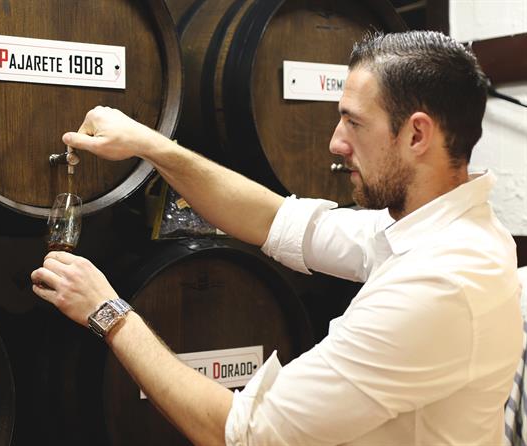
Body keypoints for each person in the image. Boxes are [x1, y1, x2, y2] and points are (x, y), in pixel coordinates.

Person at [31, 30, 522, 445]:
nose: (336, 142)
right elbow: (276, 220)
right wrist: (151, 145)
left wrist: (109, 312)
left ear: (417, 136)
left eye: (354, 121)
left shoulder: (440, 281)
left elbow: (246, 432)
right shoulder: (435, 228)